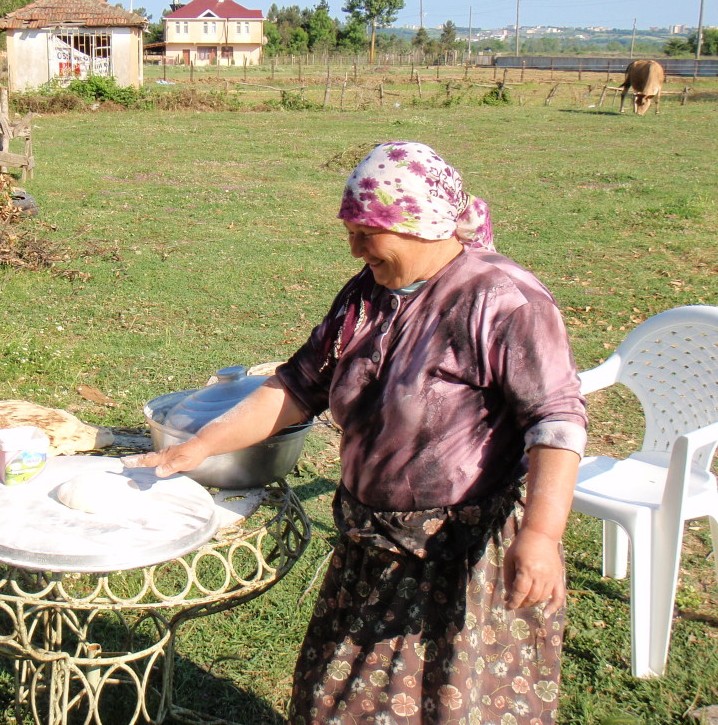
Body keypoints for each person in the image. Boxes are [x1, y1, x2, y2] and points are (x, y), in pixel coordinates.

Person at [128, 141, 587, 725]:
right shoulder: (366, 297)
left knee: (454, 706)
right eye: (350, 230)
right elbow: (296, 386)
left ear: (417, 225)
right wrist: (194, 448)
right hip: (372, 543)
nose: (353, 247)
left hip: (462, 556)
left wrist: (542, 537)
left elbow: (556, 421)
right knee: (337, 700)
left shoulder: (501, 300)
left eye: (366, 232)